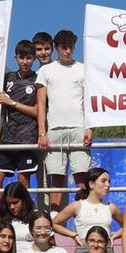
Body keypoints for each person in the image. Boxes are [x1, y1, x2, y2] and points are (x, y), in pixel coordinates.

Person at [36, 30, 92, 204]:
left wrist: (90, 127)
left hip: (78, 128)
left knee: (82, 177)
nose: (67, 51)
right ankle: (54, 216)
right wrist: (42, 133)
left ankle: (85, 213)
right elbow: (41, 105)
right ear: (56, 47)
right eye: (64, 47)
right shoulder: (45, 70)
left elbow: (89, 102)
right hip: (54, 129)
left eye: (71, 47)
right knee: (56, 178)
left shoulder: (83, 69)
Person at [0, 38, 46, 192]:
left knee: (23, 181)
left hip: (27, 139)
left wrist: (12, 103)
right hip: (5, 139)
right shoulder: (6, 79)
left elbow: (38, 111)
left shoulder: (38, 80)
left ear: (34, 58)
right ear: (15, 57)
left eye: (29, 58)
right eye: (21, 58)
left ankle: (23, 209)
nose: (25, 62)